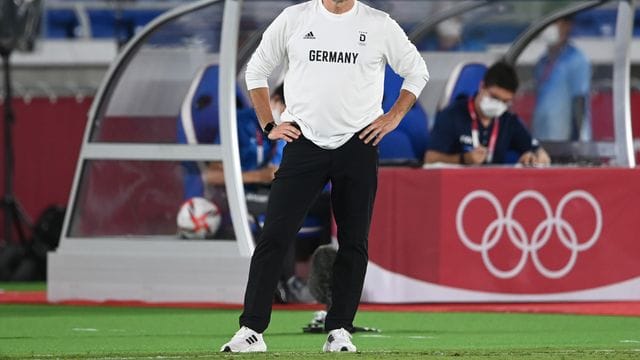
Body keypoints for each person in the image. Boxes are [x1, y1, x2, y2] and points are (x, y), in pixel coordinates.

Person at [221, 0, 429, 353]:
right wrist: (269, 124)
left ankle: (339, 330)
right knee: (274, 235)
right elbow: (255, 71)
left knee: (354, 240)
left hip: (359, 143)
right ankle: (251, 330)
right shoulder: (294, 18)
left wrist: (393, 117)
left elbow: (417, 71)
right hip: (304, 140)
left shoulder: (378, 23)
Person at [424, 62, 550, 166]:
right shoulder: (452, 114)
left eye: (505, 101)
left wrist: (534, 158)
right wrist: (464, 159)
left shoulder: (508, 120)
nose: (499, 104)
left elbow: (541, 154)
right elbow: (430, 158)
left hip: (492, 187)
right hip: (455, 184)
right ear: (482, 86)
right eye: (494, 97)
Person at [531, 16, 591, 142]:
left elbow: (579, 100)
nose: (549, 26)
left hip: (565, 141)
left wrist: (578, 140)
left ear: (567, 25)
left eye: (555, 22)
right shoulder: (542, 62)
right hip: (542, 136)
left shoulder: (576, 59)